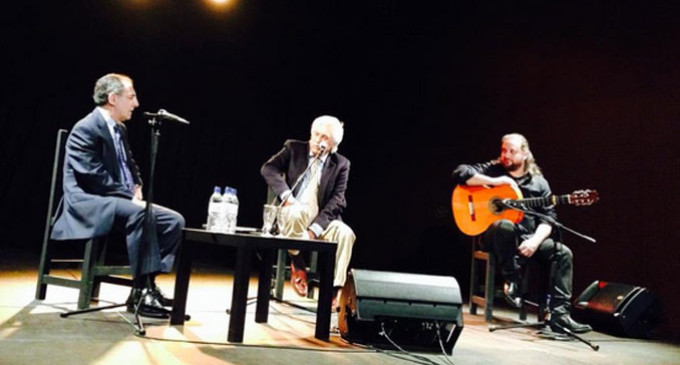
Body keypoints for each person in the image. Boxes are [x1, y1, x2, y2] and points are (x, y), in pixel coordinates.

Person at [51, 73, 185, 318]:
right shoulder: (86, 128)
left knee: (174, 220)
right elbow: (92, 175)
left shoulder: (119, 129)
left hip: (116, 198)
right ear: (113, 98)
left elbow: (129, 163)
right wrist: (128, 194)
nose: (136, 104)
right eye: (131, 97)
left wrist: (137, 184)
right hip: (89, 200)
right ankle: (143, 291)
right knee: (141, 214)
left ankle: (145, 287)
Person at [451, 133, 592, 334]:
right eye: (504, 150)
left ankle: (561, 316)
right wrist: (495, 180)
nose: (506, 155)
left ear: (525, 154)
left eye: (512, 151)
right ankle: (514, 281)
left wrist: (535, 241)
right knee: (504, 226)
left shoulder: (539, 183)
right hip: (495, 235)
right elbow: (460, 173)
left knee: (563, 253)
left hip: (527, 237)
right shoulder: (494, 169)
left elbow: (548, 219)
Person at [261, 115, 356, 310]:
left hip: (320, 221)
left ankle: (334, 289)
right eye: (316, 134)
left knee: (346, 234)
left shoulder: (341, 164)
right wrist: (287, 197)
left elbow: (338, 200)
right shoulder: (293, 148)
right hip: (292, 213)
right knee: (296, 213)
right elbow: (268, 168)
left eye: (325, 138)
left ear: (333, 144)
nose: (318, 140)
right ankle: (297, 261)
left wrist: (314, 229)